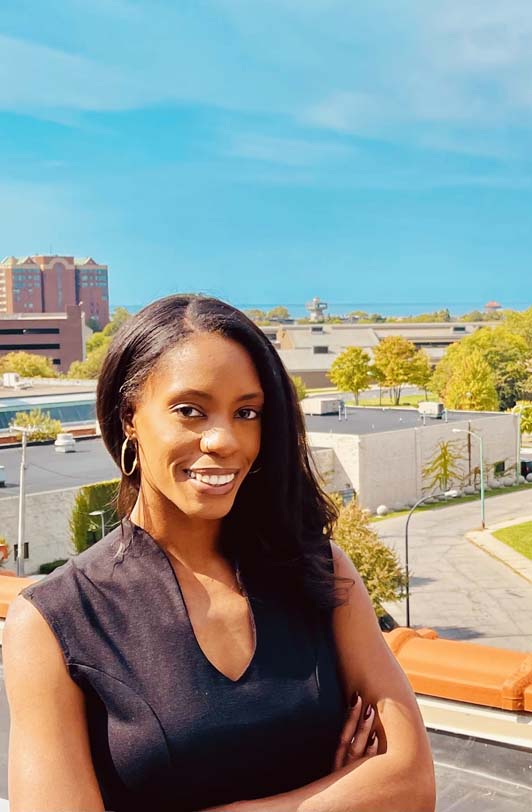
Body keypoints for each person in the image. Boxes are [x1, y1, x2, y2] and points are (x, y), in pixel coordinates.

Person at [3, 294, 435, 812]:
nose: (224, 440)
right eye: (190, 410)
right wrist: (339, 797)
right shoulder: (55, 620)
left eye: (246, 412)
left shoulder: (321, 574)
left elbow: (411, 785)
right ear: (130, 418)